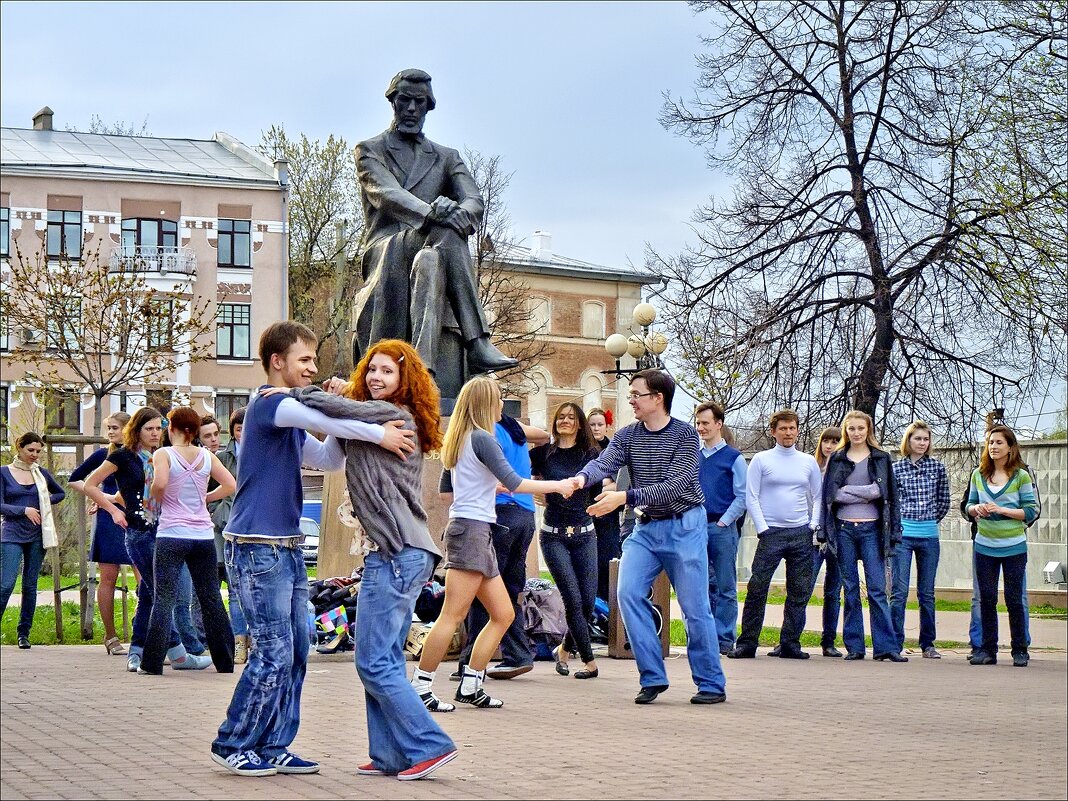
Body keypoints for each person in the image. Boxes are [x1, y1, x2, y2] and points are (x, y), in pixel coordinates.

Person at [211, 320, 417, 778]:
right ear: (277, 362)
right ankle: (233, 742)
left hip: (285, 546)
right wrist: (378, 432)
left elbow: (327, 457)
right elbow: (321, 418)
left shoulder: (287, 419)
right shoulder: (270, 404)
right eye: (305, 360)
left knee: (298, 647)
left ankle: (274, 743)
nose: (313, 368)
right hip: (256, 546)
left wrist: (351, 429)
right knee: (273, 650)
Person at [286, 339, 459, 781]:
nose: (377, 378)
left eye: (387, 372)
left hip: (400, 552)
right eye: (373, 370)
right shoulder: (368, 421)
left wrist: (300, 392)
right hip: (397, 552)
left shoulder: (394, 417)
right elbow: (327, 454)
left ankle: (430, 744)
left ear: (405, 382)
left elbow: (340, 411)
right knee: (379, 658)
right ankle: (389, 753)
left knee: (374, 661)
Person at [410, 375, 573, 712]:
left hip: (477, 530)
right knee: (452, 616)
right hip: (470, 532)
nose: (503, 405)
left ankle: (471, 684)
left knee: (501, 613)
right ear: (486, 403)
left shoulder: (465, 438)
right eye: (499, 398)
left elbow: (474, 486)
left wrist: (491, 490)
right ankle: (421, 687)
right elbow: (513, 481)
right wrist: (557, 486)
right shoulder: (483, 439)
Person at [572, 370, 727, 706]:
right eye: (630, 395)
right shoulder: (628, 435)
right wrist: (580, 480)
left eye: (636, 394)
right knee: (626, 593)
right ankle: (653, 676)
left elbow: (675, 485)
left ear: (658, 398)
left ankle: (711, 682)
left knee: (695, 608)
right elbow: (605, 463)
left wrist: (623, 498)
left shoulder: (685, 435)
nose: (631, 400)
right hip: (646, 529)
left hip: (685, 525)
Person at [353, 68, 518, 378]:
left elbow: (474, 201)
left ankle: (421, 371)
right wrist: (434, 213)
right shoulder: (370, 150)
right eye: (405, 101)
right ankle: (478, 341)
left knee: (430, 260)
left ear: (428, 106)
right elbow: (388, 194)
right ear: (394, 103)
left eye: (419, 102)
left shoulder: (446, 156)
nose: (412, 109)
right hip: (387, 247)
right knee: (444, 231)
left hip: (432, 247)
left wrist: (458, 213)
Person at [81, 408, 211, 673]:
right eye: (148, 429)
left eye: (158, 428)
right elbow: (90, 484)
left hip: (167, 530)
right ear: (137, 430)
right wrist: (114, 511)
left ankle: (138, 652)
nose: (155, 433)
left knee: (152, 594)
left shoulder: (163, 455)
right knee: (159, 593)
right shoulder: (122, 456)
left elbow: (132, 492)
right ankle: (176, 653)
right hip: (140, 534)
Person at [136, 407, 237, 675]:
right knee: (211, 598)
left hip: (172, 533)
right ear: (194, 432)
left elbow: (159, 483)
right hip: (202, 535)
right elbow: (230, 486)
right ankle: (225, 661)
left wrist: (156, 503)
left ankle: (152, 664)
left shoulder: (163, 453)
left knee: (164, 599)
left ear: (172, 429)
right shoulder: (206, 455)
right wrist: (205, 499)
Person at [452, 412, 548, 682]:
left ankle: (470, 663)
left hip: (500, 514)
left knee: (482, 589)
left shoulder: (485, 433)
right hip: (525, 516)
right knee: (510, 589)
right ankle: (517, 655)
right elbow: (544, 436)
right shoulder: (512, 426)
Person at [729, 410, 820, 660]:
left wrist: (813, 524)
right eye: (783, 429)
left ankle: (790, 643)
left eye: (792, 428)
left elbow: (818, 495)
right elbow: (752, 495)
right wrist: (762, 527)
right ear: (773, 432)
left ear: (797, 430)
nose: (788, 433)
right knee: (757, 588)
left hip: (801, 533)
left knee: (799, 590)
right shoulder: (761, 459)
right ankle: (747, 643)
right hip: (771, 534)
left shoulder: (807, 461)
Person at [821, 410, 906, 662]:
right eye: (851, 429)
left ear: (868, 430)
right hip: (844, 529)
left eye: (860, 428)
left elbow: (884, 492)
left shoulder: (881, 458)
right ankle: (855, 647)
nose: (856, 433)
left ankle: (886, 648)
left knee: (877, 589)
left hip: (873, 530)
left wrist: (851, 490)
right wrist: (865, 492)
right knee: (850, 589)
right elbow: (831, 495)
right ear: (846, 431)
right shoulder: (837, 459)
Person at [530, 403, 602, 680]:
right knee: (572, 599)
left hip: (585, 534)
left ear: (580, 423)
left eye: (571, 417)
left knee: (586, 603)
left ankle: (564, 650)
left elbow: (598, 488)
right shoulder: (543, 454)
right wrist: (536, 489)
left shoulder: (591, 455)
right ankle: (589, 661)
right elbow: (517, 472)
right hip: (553, 535)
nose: (565, 421)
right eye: (560, 417)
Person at [965, 425, 1037, 667]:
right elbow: (969, 505)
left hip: (1014, 546)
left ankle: (1020, 649)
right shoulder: (978, 474)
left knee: (1014, 598)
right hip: (984, 545)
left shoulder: (1021, 476)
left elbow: (1030, 510)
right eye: (990, 443)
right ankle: (987, 650)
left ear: (1010, 447)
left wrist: (1001, 510)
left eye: (998, 443)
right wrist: (976, 510)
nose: (993, 447)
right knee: (986, 598)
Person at [69, 412, 136, 656]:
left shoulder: (142, 453)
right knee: (108, 576)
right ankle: (110, 635)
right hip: (109, 519)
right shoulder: (103, 454)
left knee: (145, 577)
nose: (110, 432)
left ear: (129, 428)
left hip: (137, 517)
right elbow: (75, 479)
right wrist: (106, 499)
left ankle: (143, 635)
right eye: (108, 428)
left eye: (115, 428)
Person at [891, 421, 950, 658]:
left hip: (929, 536)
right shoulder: (896, 469)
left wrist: (928, 519)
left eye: (926, 439)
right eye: (918, 439)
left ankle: (928, 644)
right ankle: (895, 642)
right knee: (899, 590)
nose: (922, 443)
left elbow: (944, 501)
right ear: (909, 441)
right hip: (903, 536)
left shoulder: (937, 468)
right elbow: (893, 503)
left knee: (927, 592)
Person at [1, 432, 66, 649]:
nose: (35, 455)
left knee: (30, 585)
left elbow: (61, 493)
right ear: (19, 447)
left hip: (38, 535)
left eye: (38, 451)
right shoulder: (4, 473)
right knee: (6, 584)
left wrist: (44, 498)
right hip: (11, 534)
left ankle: (24, 633)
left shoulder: (41, 474)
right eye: (31, 450)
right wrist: (24, 510)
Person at [694, 401, 748, 656]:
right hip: (695, 528)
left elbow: (743, 496)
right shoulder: (693, 457)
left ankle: (725, 638)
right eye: (698, 423)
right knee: (699, 584)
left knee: (726, 585)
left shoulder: (733, 458)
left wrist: (725, 521)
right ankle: (704, 637)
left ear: (718, 424)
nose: (701, 428)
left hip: (721, 528)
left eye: (706, 423)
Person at [197, 411, 249, 664]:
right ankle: (226, 641)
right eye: (238, 429)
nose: (214, 439)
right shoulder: (220, 457)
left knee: (241, 589)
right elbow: (203, 489)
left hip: (248, 527)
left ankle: (246, 640)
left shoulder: (258, 454)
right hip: (220, 529)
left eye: (216, 434)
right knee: (215, 587)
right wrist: (213, 509)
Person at [808, 426, 843, 657]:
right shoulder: (812, 468)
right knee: (804, 587)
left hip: (839, 536)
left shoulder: (845, 470)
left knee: (833, 590)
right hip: (812, 536)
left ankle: (828, 641)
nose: (829, 446)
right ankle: (790, 639)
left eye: (835, 442)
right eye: (826, 442)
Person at [587, 408, 621, 602]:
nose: (596, 428)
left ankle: (608, 602)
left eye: (600, 424)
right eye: (592, 424)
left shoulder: (613, 448)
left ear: (607, 426)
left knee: (608, 557)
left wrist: (610, 485)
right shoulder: (583, 448)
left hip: (608, 512)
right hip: (587, 509)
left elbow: (621, 480)